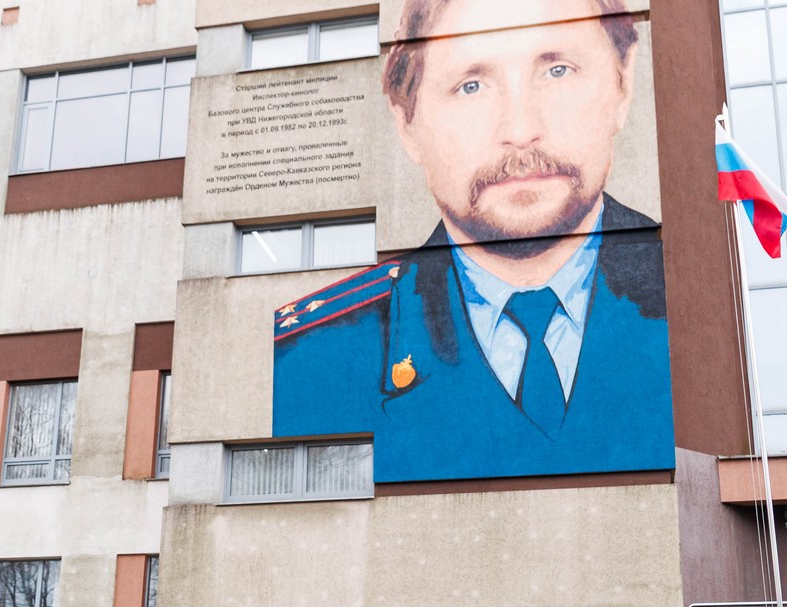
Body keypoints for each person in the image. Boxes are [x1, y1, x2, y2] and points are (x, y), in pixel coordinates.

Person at [272, 0, 674, 485]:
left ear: (623, 83)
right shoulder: (308, 361)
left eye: (557, 70)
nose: (520, 131)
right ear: (407, 124)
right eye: (471, 86)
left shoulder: (706, 305)